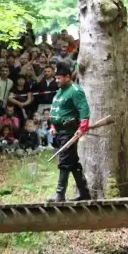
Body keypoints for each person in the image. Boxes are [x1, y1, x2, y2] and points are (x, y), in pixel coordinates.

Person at [47, 62, 91, 202]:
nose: (57, 80)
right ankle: (84, 193)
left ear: (67, 77)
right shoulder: (60, 91)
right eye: (56, 78)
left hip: (69, 132)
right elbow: (56, 110)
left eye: (59, 78)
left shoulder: (75, 90)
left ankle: (60, 194)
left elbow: (83, 109)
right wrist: (53, 126)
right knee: (72, 163)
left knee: (65, 161)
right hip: (60, 132)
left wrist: (82, 126)